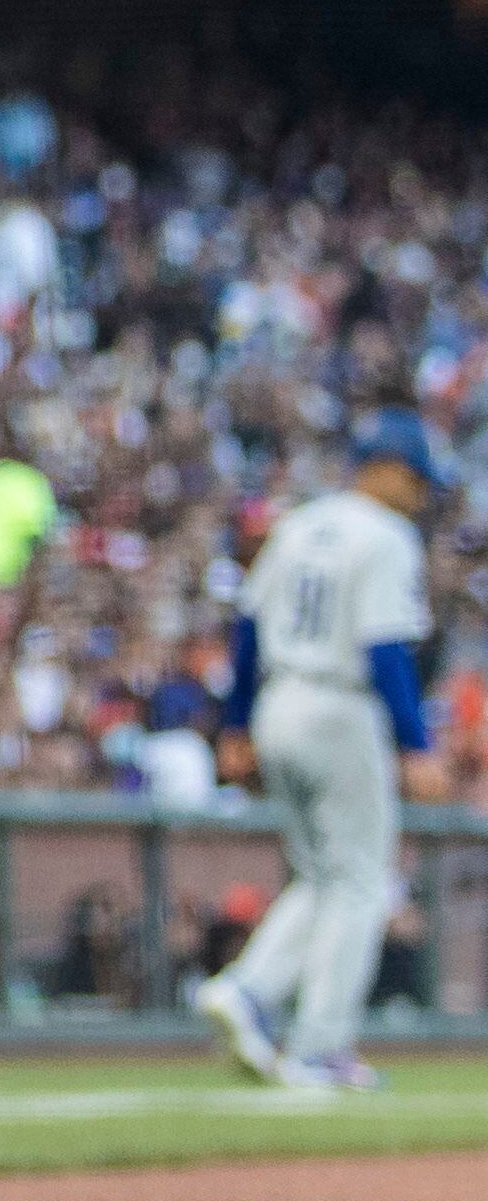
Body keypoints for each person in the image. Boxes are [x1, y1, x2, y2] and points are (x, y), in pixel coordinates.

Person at [197, 409, 447, 1094]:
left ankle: (247, 989)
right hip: (341, 704)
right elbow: (385, 645)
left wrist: (238, 723)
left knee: (322, 874)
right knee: (362, 878)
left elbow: (247, 629)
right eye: (416, 477)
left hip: (280, 699)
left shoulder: (301, 523)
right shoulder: (387, 534)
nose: (422, 492)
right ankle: (320, 1045)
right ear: (388, 468)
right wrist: (416, 741)